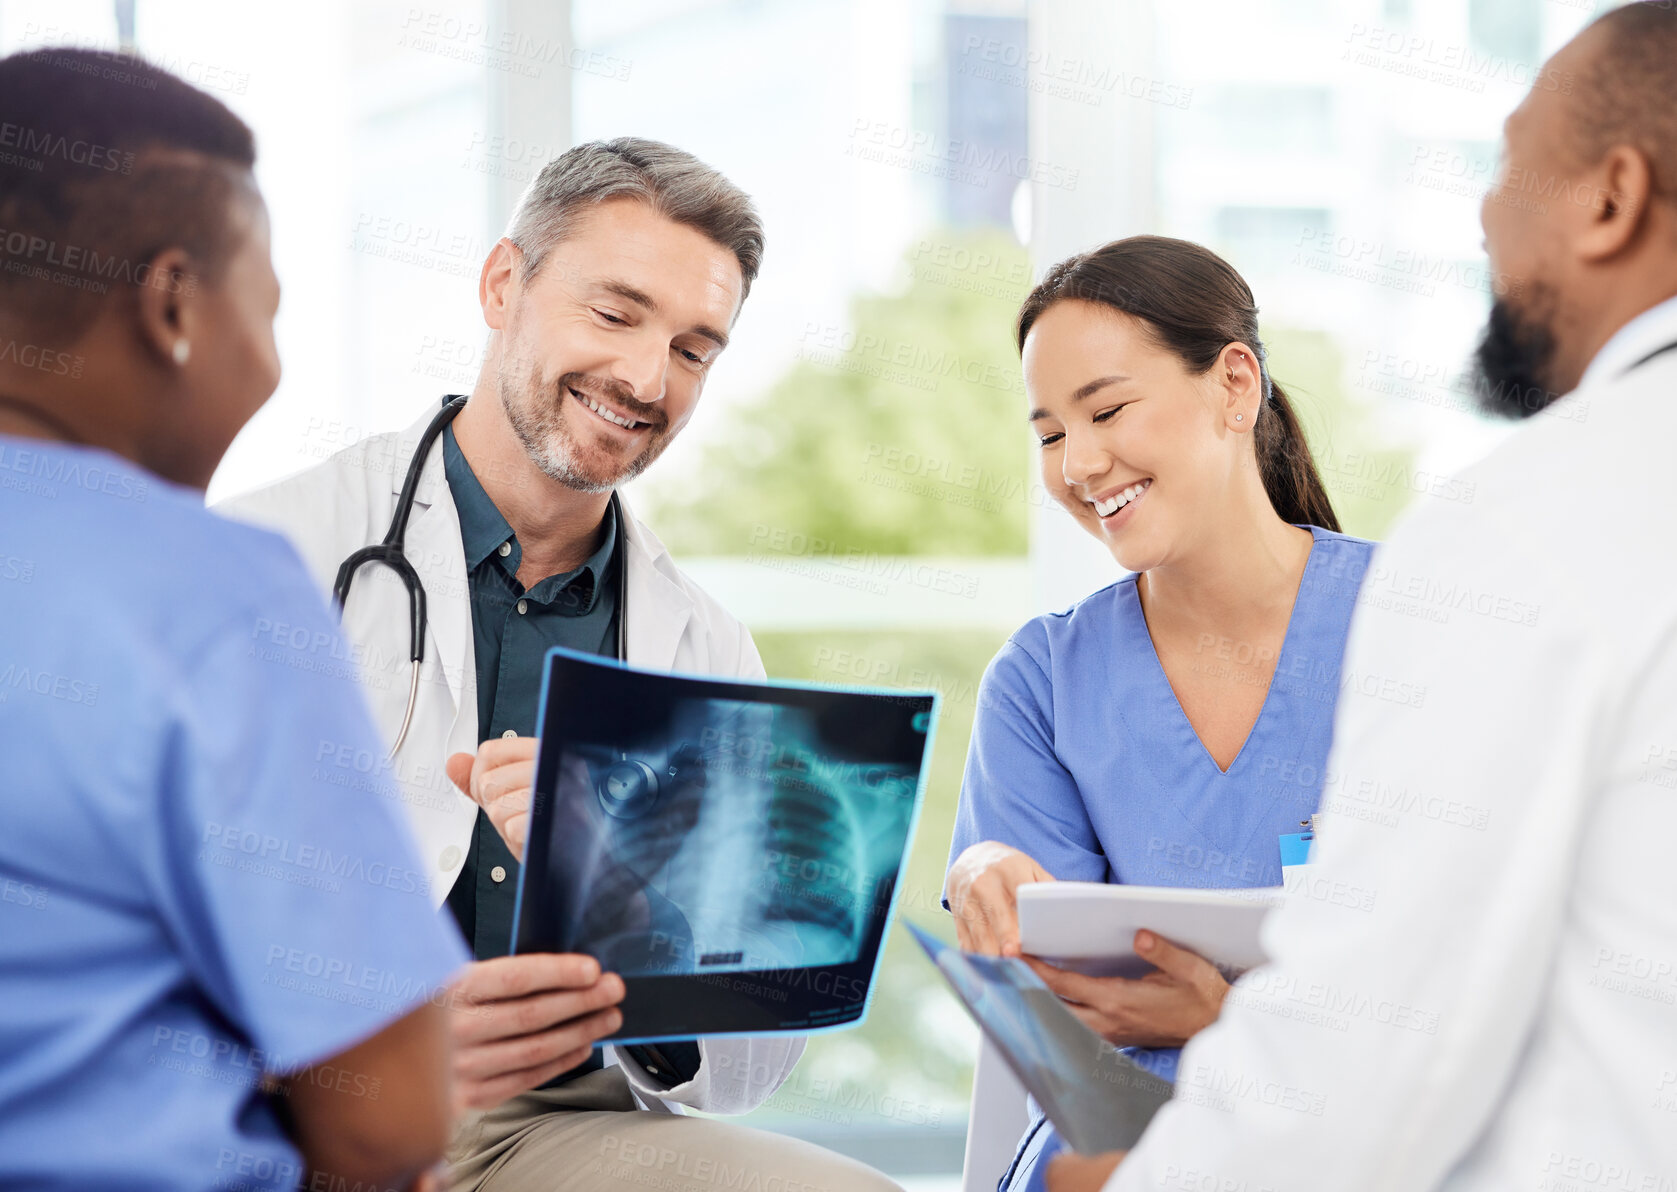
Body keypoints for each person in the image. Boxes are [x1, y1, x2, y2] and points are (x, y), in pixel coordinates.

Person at [1046, 4, 1677, 1189]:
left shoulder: (1522, 528)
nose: (1488, 214)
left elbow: (1377, 1051)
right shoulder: (1055, 666)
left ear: (1612, 197)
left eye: (1508, 167)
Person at [219, 139, 899, 1190]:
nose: (644, 377)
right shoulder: (275, 557)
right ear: (504, 284)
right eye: (615, 313)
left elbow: (754, 1048)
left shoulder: (702, 646)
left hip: (563, 1123)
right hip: (295, 1098)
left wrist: (626, 892)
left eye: (693, 348)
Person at [0, 48, 466, 1191]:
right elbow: (392, 1119)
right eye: (267, 305)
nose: (270, 356)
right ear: (172, 305)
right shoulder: (209, 589)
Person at [943, 236, 1377, 1190]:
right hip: (1113, 1151)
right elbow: (1047, 1002)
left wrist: (1222, 1018)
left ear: (1233, 385)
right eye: (1051, 433)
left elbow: (1475, 966)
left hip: (1356, 1135)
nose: (1080, 464)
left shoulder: (1410, 632)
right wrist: (982, 870)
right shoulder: (1043, 678)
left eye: (1105, 410)